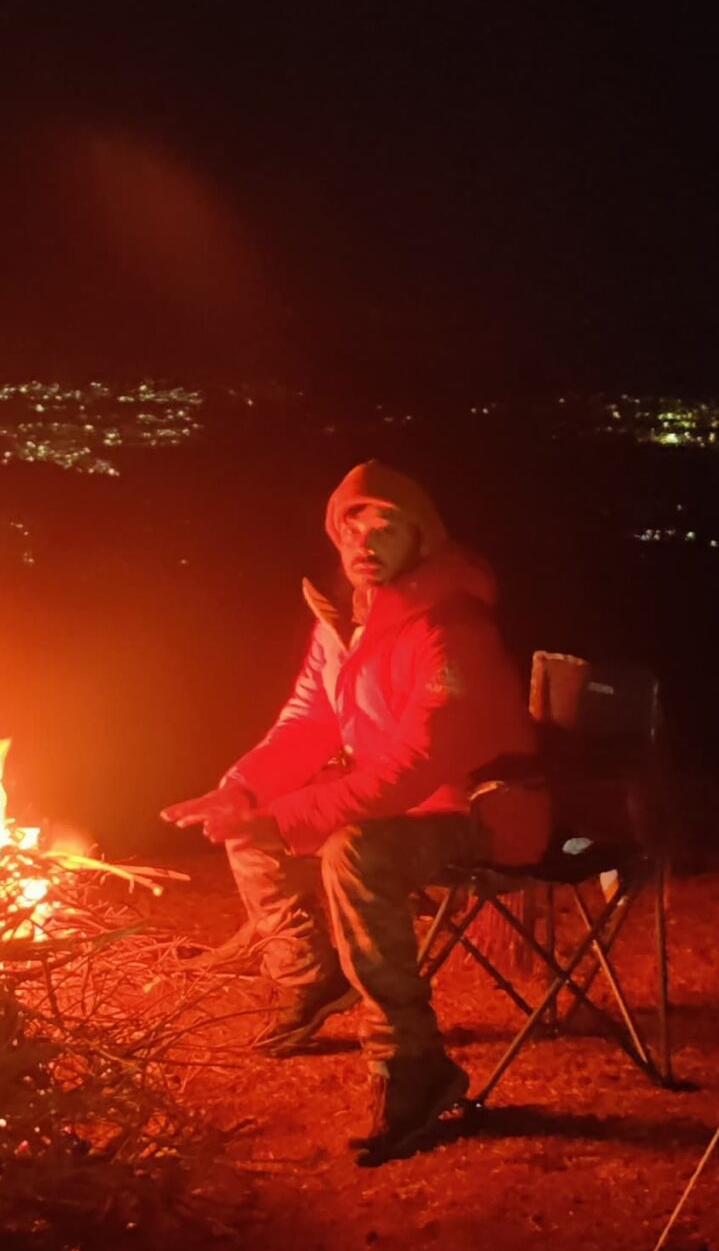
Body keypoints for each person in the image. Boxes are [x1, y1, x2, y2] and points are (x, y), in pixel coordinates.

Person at [164, 461, 537, 1165]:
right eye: (352, 526)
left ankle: (414, 1065)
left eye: (386, 525)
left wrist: (287, 817)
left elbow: (415, 767)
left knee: (354, 848)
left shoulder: (450, 627)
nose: (365, 540)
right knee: (246, 812)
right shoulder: (347, 624)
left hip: (484, 814)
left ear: (420, 537)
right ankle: (313, 974)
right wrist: (242, 791)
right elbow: (307, 724)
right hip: (399, 806)